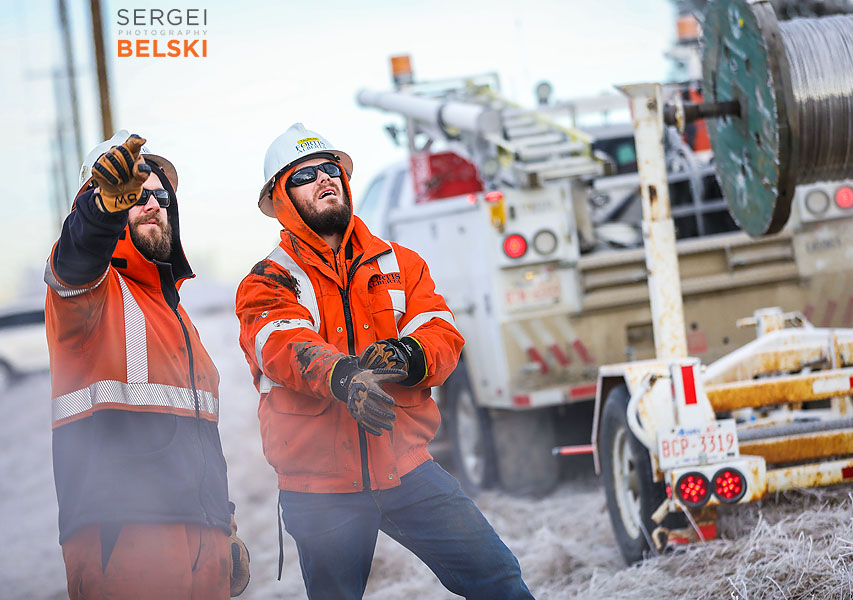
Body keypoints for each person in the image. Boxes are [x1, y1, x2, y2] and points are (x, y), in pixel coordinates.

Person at [235, 123, 534, 600]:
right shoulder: (268, 281)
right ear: (282, 199)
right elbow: (281, 344)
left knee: (497, 575)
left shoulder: (400, 263)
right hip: (320, 486)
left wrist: (408, 355)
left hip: (405, 467)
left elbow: (441, 331)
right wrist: (344, 376)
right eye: (305, 175)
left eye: (330, 168)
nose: (324, 179)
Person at [44, 131, 250, 599]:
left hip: (203, 538)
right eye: (135, 196)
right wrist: (99, 211)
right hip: (124, 536)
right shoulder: (90, 294)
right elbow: (75, 259)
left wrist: (224, 522)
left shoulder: (177, 316)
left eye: (159, 195)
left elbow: (198, 439)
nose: (152, 203)